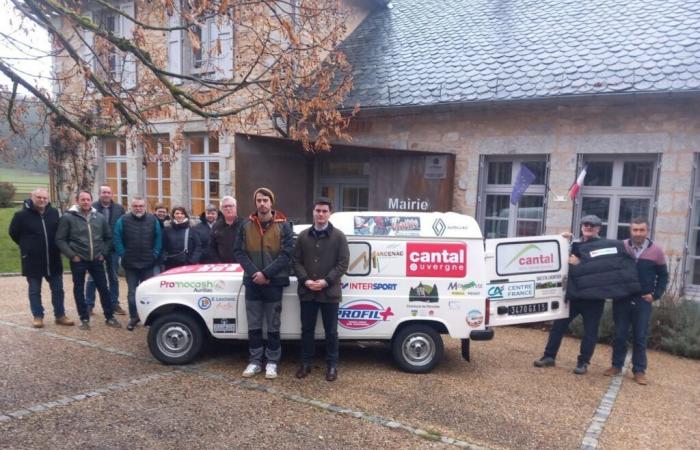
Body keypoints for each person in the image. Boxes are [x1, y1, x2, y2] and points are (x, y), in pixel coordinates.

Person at [534, 215, 639, 374]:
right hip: (574, 296)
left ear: (598, 228)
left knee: (590, 332)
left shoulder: (606, 247)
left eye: (592, 225)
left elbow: (604, 267)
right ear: (581, 226)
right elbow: (558, 260)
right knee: (558, 327)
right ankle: (549, 356)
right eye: (585, 224)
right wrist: (562, 240)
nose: (588, 227)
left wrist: (580, 264)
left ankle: (583, 362)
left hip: (594, 299)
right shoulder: (573, 244)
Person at [234, 187, 293, 379]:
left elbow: (286, 255)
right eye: (259, 200)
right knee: (254, 325)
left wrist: (266, 274)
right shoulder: (245, 225)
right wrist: (254, 274)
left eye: (265, 200)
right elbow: (239, 252)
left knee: (274, 325)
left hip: (274, 283)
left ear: (271, 202)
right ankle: (255, 361)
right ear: (255, 203)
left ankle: (272, 362)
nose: (262, 203)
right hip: (252, 283)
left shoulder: (283, 225)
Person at [604, 218, 668, 385]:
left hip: (643, 300)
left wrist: (655, 295)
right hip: (622, 298)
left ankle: (639, 371)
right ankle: (616, 365)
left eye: (641, 230)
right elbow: (610, 268)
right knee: (619, 334)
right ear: (630, 231)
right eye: (635, 230)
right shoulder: (621, 247)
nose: (638, 233)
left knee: (640, 336)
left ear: (647, 232)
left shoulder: (656, 251)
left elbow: (663, 276)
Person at [292, 199, 349, 381]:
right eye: (318, 210)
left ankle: (332, 366)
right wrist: (306, 280)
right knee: (307, 330)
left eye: (324, 211)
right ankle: (306, 363)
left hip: (329, 293)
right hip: (307, 292)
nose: (321, 214)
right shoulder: (303, 236)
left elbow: (343, 263)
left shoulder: (339, 236)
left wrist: (326, 281)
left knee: (331, 332)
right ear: (313, 212)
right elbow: (296, 261)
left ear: (330, 213)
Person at [9, 188, 74, 328]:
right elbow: (13, 233)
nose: (42, 200)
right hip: (32, 259)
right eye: (39, 197)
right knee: (34, 290)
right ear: (32, 197)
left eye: (45, 198)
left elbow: (60, 233)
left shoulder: (54, 213)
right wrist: (27, 246)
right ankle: (38, 316)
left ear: (48, 199)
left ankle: (60, 315)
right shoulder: (21, 215)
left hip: (53, 258)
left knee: (58, 289)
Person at [55, 191, 121, 329]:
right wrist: (72, 255)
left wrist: (103, 252)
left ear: (91, 200)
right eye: (82, 199)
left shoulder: (99, 217)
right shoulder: (68, 217)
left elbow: (108, 237)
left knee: (103, 288)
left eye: (88, 199)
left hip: (96, 258)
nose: (85, 202)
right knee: (79, 289)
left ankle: (109, 317)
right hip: (78, 259)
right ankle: (84, 319)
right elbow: (60, 239)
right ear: (77, 200)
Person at [113, 196, 162, 331]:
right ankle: (134, 317)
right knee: (132, 292)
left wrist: (155, 253)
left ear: (144, 207)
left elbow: (158, 237)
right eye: (135, 206)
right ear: (131, 207)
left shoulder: (153, 220)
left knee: (148, 292)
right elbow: (117, 238)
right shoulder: (123, 220)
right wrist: (123, 254)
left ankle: (148, 316)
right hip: (131, 263)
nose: (138, 208)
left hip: (148, 262)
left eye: (141, 206)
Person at [86, 185, 126, 316]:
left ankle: (114, 303)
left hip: (113, 249)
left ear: (112, 194)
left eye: (108, 192)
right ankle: (89, 305)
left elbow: (122, 228)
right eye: (103, 192)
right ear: (99, 194)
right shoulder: (92, 208)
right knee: (92, 278)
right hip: (96, 249)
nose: (106, 195)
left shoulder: (119, 209)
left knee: (113, 277)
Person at [161, 206, 201, 270]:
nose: (179, 215)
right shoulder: (167, 229)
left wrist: (192, 260)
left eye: (182, 213)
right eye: (177, 213)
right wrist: (165, 258)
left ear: (185, 215)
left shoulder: (192, 229)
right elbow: (163, 247)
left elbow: (198, 246)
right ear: (173, 215)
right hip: (170, 264)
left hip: (187, 264)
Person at [209, 196, 242, 263]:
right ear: (221, 209)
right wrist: (218, 262)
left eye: (230, 206)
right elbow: (212, 248)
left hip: (241, 265)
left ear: (235, 207)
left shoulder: (244, 225)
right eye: (225, 206)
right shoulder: (216, 226)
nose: (228, 208)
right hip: (223, 267)